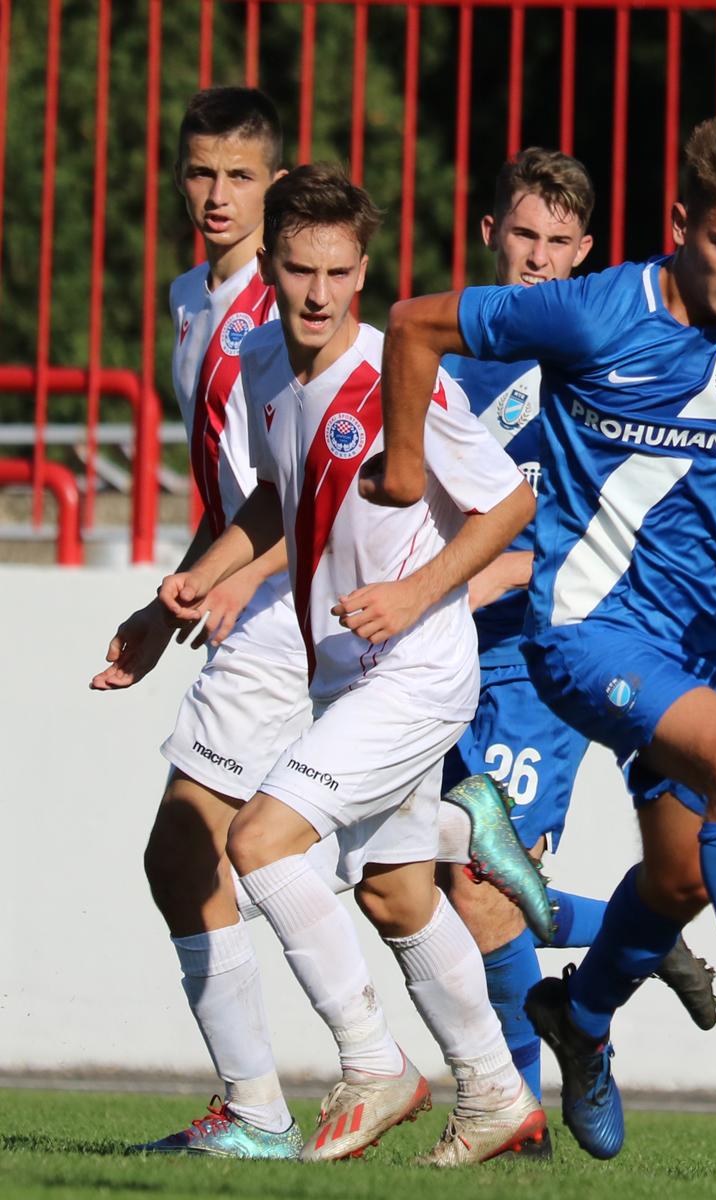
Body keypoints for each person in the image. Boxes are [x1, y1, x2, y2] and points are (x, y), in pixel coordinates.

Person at [360, 116, 716, 1160]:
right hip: (582, 633)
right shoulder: (592, 309)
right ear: (680, 224)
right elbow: (413, 324)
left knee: (684, 878)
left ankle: (582, 1015)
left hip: (695, 641)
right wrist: (408, 468)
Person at [158, 162, 548, 1166]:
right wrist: (204, 575)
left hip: (419, 668)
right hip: (346, 674)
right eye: (299, 270)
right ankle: (496, 1094)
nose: (318, 294)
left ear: (364, 271)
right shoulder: (261, 361)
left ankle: (374, 1064)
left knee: (261, 843)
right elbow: (275, 497)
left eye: (338, 273)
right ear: (271, 270)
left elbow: (509, 502)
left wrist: (416, 594)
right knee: (395, 894)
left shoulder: (392, 379)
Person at [436, 148, 716, 1105]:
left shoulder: (597, 364)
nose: (537, 257)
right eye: (523, 234)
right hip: (436, 656)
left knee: (482, 883)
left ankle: (517, 1110)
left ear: (585, 252)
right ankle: (634, 934)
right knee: (418, 873)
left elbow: (589, 534)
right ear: (490, 233)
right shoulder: (450, 361)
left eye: (558, 242)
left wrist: (478, 579)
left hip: (531, 657)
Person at [91, 86, 316, 1158]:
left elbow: (312, 485)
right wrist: (165, 600)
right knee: (371, 874)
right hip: (247, 599)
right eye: (200, 172)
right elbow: (233, 493)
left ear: (278, 184)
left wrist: (239, 581)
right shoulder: (192, 298)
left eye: (240, 175)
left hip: (291, 609)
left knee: (186, 851)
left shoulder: (290, 305)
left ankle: (261, 1111)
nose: (217, 194)